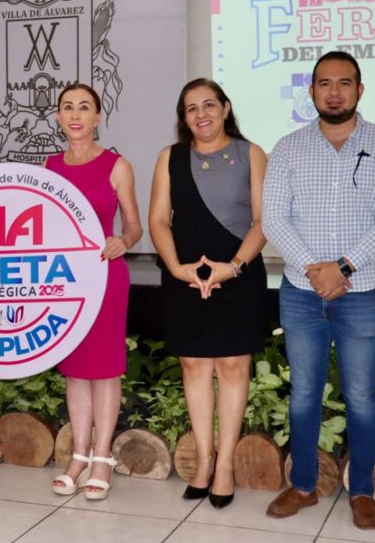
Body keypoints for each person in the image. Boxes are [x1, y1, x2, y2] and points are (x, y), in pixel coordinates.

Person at [262, 52, 375, 530]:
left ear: (360, 90)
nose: (334, 92)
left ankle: (362, 490)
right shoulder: (288, 148)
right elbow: (274, 219)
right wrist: (316, 271)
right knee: (304, 393)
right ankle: (303, 485)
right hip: (301, 291)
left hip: (362, 290)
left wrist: (343, 267)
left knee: (361, 396)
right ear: (311, 92)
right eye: (324, 83)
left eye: (344, 83)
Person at [148, 78, 268, 509]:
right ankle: (203, 461)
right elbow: (158, 220)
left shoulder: (251, 153)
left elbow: (263, 222)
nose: (201, 114)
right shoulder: (170, 157)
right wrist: (176, 267)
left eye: (209, 105)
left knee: (234, 367)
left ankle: (225, 467)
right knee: (194, 367)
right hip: (185, 276)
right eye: (191, 108)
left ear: (225, 108)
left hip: (237, 274)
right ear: (184, 117)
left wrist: (232, 267)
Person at [48, 83, 142, 501]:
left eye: (84, 107)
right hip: (64, 279)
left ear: (98, 117)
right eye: (68, 107)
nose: (75, 114)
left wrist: (123, 240)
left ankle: (102, 458)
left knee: (104, 368)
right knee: (75, 368)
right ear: (58, 116)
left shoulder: (116, 165)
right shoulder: (49, 167)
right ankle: (78, 457)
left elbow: (135, 225)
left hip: (106, 276)